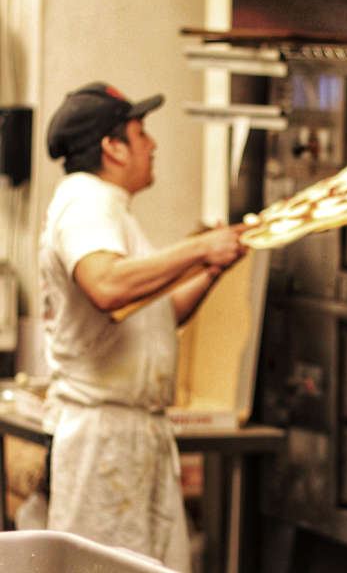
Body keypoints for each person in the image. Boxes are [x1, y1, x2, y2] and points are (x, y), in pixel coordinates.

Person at [39, 82, 250, 572]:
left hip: (134, 435)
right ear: (112, 147)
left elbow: (160, 314)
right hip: (103, 443)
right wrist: (199, 248)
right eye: (141, 132)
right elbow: (107, 286)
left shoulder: (112, 212)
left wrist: (213, 268)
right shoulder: (86, 201)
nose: (152, 144)